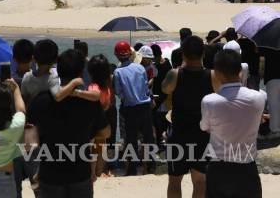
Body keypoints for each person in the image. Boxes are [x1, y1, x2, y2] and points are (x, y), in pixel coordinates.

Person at [26, 49, 109, 198]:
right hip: (80, 174)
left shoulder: (41, 100)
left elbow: (28, 138)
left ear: (58, 70)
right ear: (81, 73)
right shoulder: (90, 103)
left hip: (50, 174)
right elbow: (105, 132)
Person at [200, 49, 267, 198]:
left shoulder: (209, 101)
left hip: (219, 168)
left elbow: (204, 127)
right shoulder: (259, 97)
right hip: (247, 168)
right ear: (240, 71)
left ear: (216, 72)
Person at [161, 35, 212, 198]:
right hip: (202, 134)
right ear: (203, 53)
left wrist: (181, 67)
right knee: (200, 181)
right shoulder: (212, 76)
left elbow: (164, 89)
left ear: (183, 53)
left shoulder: (175, 74)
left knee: (175, 181)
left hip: (179, 134)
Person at [112, 40, 155, 176]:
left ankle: (132, 169)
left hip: (129, 108)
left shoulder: (118, 72)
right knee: (148, 137)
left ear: (117, 55)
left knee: (131, 139)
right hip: (144, 106)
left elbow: (118, 92)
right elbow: (145, 87)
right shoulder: (140, 68)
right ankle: (150, 167)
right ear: (130, 54)